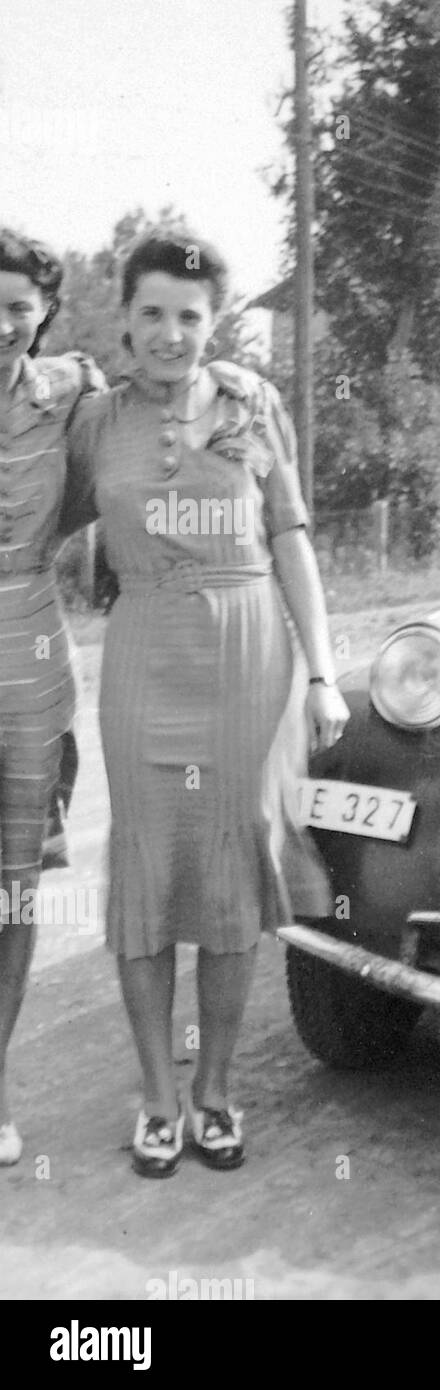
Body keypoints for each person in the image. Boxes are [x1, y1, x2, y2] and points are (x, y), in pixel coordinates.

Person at [64, 232, 347, 1177]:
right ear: (125, 319)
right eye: (151, 313)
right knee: (147, 873)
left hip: (243, 657)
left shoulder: (253, 403)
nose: (170, 335)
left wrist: (322, 672)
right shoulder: (95, 419)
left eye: (189, 317)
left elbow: (294, 541)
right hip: (144, 654)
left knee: (229, 873)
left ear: (213, 323)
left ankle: (216, 1093)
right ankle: (156, 1098)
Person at [0, 229, 105, 1165]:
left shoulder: (68, 388)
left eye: (16, 308)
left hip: (31, 659)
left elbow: (148, 426)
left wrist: (237, 388)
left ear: (41, 316)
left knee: (14, 891)